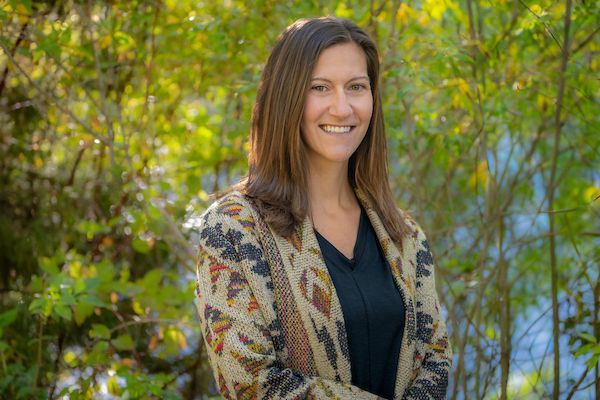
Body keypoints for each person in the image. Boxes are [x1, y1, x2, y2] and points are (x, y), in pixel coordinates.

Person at [195, 16, 452, 399]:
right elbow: (249, 383)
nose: (342, 107)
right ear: (287, 97)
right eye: (320, 87)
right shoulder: (234, 229)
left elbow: (434, 357)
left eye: (356, 87)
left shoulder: (404, 235)